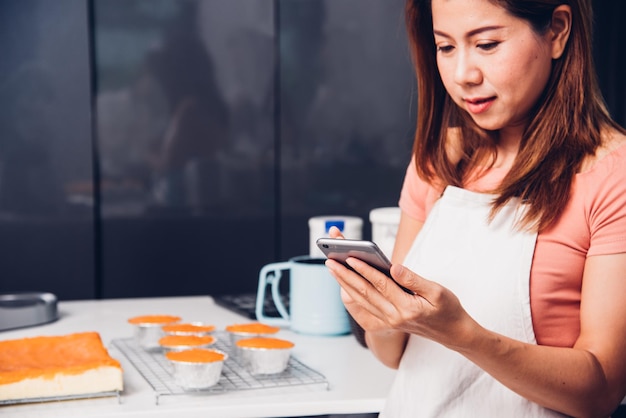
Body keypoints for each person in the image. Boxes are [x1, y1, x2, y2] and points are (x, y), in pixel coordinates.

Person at [324, 0, 626, 416]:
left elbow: (601, 392)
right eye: (445, 47)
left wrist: (464, 335)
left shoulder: (613, 174)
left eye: (486, 44)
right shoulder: (440, 158)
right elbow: (396, 355)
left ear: (557, 31)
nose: (463, 75)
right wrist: (377, 314)